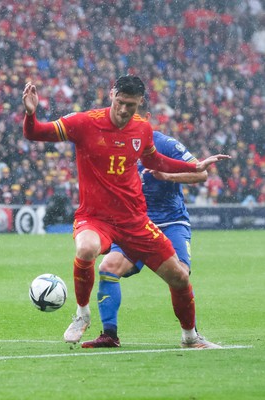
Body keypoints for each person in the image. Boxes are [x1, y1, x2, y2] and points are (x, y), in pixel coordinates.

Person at [22, 75, 230, 349]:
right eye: (120, 102)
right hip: (95, 218)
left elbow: (154, 159)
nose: (123, 110)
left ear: (140, 103)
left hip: (135, 221)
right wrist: (31, 113)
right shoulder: (84, 122)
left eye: (130, 106)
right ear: (111, 95)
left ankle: (190, 337)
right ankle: (82, 314)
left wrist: (195, 167)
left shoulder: (142, 129)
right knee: (86, 250)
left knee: (179, 276)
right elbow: (35, 133)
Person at [81, 101, 212, 348]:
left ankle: (190, 336)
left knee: (180, 275)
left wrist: (168, 176)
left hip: (170, 222)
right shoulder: (115, 144)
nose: (128, 121)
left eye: (135, 116)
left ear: (148, 117)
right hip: (135, 225)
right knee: (108, 267)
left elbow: (201, 173)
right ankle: (109, 335)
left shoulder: (165, 144)